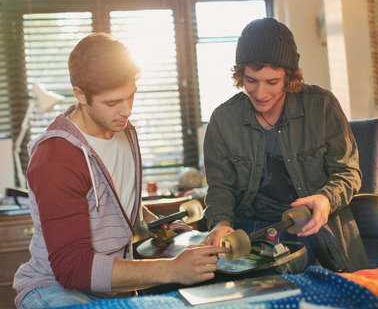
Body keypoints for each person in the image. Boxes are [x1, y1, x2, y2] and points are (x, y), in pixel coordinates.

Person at [13, 33, 226, 308]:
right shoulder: (56, 157)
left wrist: (154, 224)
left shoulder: (124, 131)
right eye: (112, 103)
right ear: (80, 95)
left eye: (131, 96)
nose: (125, 111)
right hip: (54, 289)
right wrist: (172, 269)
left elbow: (116, 204)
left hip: (113, 289)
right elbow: (72, 269)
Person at [202, 17, 368, 272]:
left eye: (272, 82)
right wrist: (220, 222)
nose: (260, 93)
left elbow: (348, 172)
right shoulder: (223, 119)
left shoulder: (321, 106)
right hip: (251, 234)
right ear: (240, 74)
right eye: (251, 81)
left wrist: (326, 198)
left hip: (318, 230)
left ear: (289, 77)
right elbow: (220, 186)